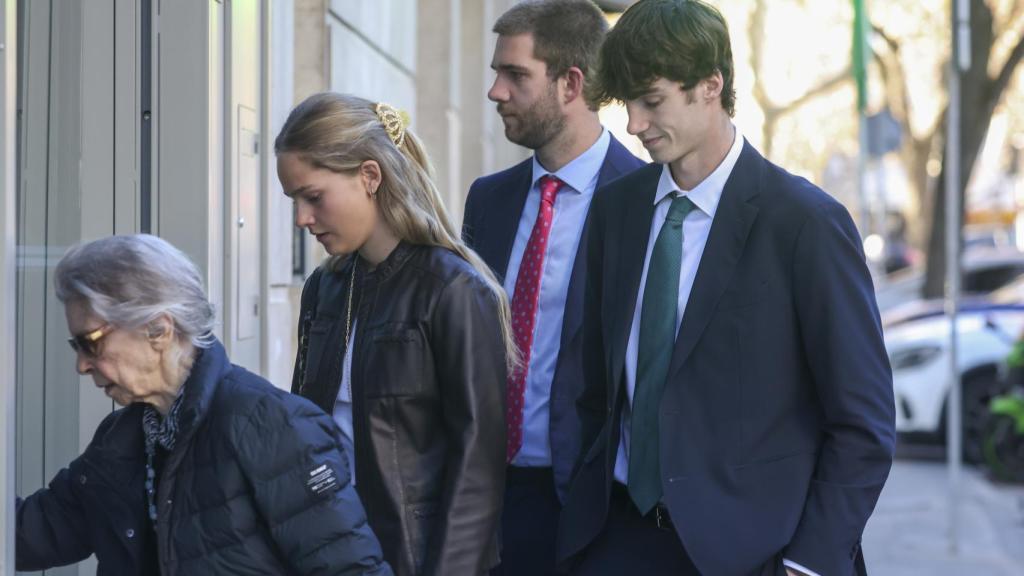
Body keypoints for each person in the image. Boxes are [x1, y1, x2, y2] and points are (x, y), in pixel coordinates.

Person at [556, 2, 896, 575]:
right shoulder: (617, 210)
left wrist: (807, 563)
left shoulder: (805, 223)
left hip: (753, 554)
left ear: (711, 84)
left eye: (652, 101)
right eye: (628, 105)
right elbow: (593, 385)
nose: (635, 125)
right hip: (617, 538)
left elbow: (862, 424)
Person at [15, 234, 390, 576]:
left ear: (158, 330)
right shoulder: (122, 439)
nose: (82, 364)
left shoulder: (273, 425)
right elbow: (31, 533)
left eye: (90, 342)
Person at [277, 93, 511, 576]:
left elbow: (478, 467)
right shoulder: (326, 286)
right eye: (294, 201)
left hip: (414, 560)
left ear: (369, 176)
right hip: (329, 556)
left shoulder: (452, 289)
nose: (301, 219)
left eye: (313, 197)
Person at [462, 2, 644, 573]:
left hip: (592, 511)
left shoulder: (646, 200)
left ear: (571, 83)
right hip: (485, 499)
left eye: (516, 75)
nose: (495, 91)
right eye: (497, 72)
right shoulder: (488, 199)